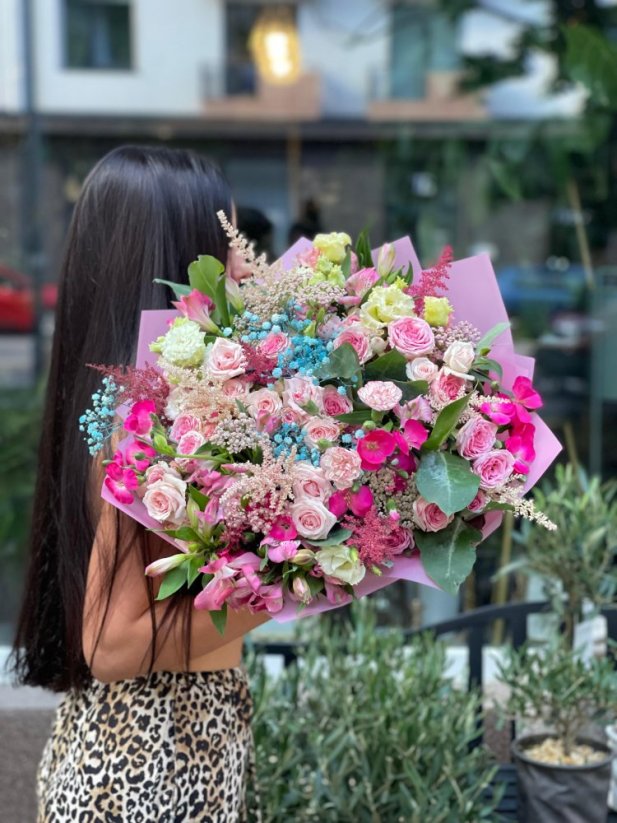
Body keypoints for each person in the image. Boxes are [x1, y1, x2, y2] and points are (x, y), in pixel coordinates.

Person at [10, 145, 268, 822]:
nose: (245, 264)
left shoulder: (137, 407)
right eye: (226, 243)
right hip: (146, 767)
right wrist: (297, 587)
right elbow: (111, 645)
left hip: (151, 752)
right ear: (176, 257)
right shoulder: (141, 426)